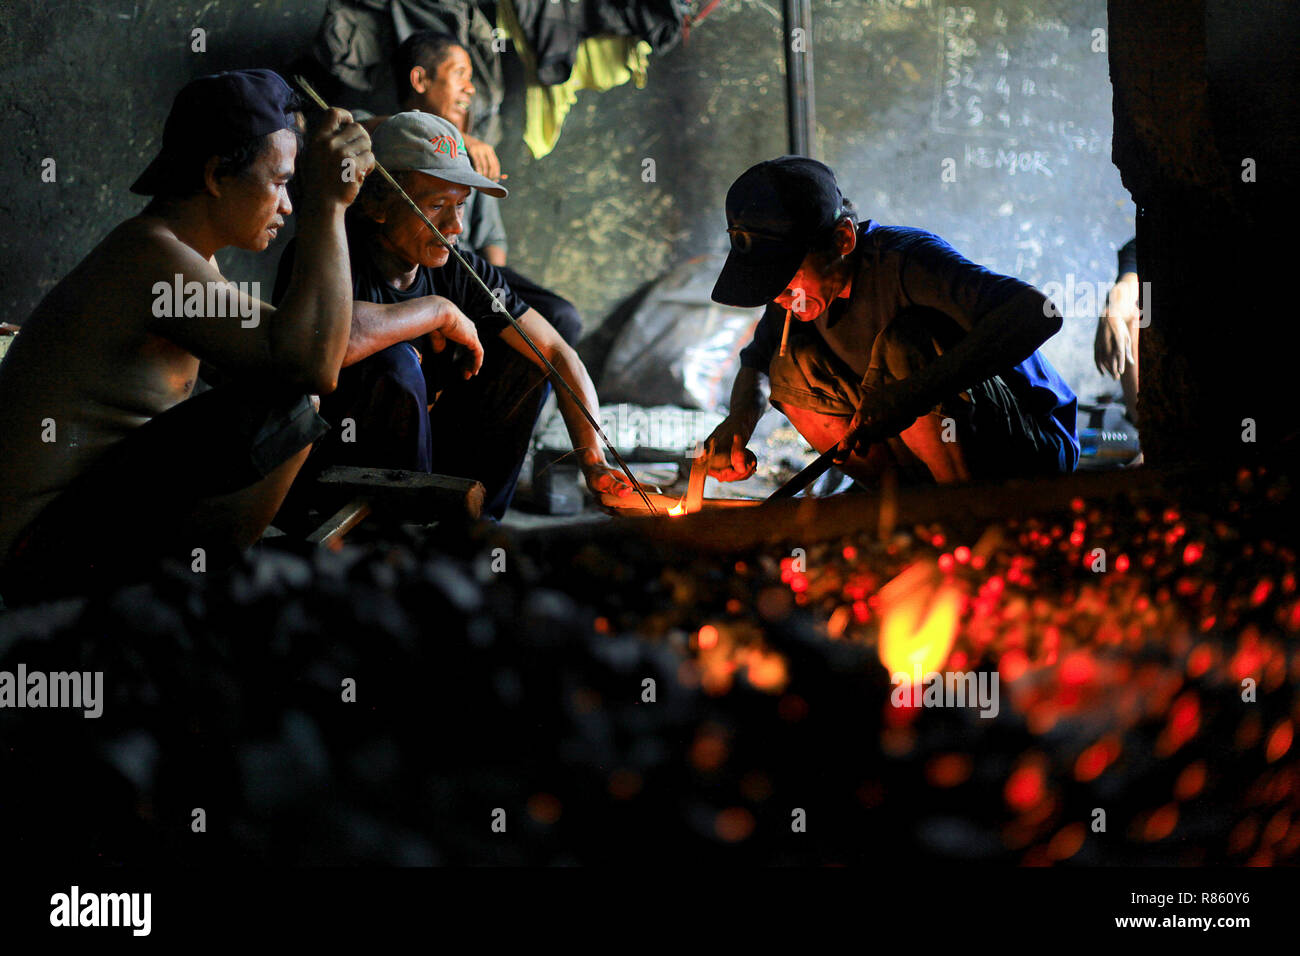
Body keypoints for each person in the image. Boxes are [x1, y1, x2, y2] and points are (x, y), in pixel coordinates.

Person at [0, 70, 373, 603]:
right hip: (37, 560)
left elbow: (318, 341)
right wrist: (329, 206)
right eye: (281, 182)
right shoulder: (151, 258)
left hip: (69, 535)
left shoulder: (178, 259)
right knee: (287, 401)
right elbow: (310, 360)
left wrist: (439, 309)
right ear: (217, 175)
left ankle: (205, 588)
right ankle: (205, 598)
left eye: (295, 187)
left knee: (282, 390)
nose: (288, 206)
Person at [273, 112, 630, 520]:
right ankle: (409, 531)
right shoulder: (327, 251)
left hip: (430, 452)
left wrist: (594, 461)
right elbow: (327, 342)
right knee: (395, 362)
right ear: (377, 203)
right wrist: (436, 311)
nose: (455, 225)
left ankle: (477, 529)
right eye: (437, 205)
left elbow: (556, 351)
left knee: (525, 360)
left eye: (461, 204)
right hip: (333, 470)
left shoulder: (456, 266)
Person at [705, 157, 1079, 488]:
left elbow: (1039, 312)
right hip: (920, 462)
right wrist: (738, 422)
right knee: (790, 365)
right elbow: (757, 364)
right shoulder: (794, 299)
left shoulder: (908, 262)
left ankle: (961, 514)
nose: (780, 297)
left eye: (787, 278)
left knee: (905, 346)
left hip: (1028, 449)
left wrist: (915, 392)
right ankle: (894, 501)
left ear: (843, 239)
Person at [386, 29, 584, 348]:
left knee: (559, 319)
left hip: (467, 272)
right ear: (420, 80)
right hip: (420, 269)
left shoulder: (474, 154)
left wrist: (495, 300)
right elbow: (354, 125)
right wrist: (454, 139)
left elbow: (491, 238)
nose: (470, 88)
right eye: (460, 74)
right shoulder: (378, 138)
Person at [1094, 237, 1140, 424]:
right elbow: (1128, 288)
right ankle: (1147, 427)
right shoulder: (1149, 241)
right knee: (1132, 317)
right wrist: (1112, 312)